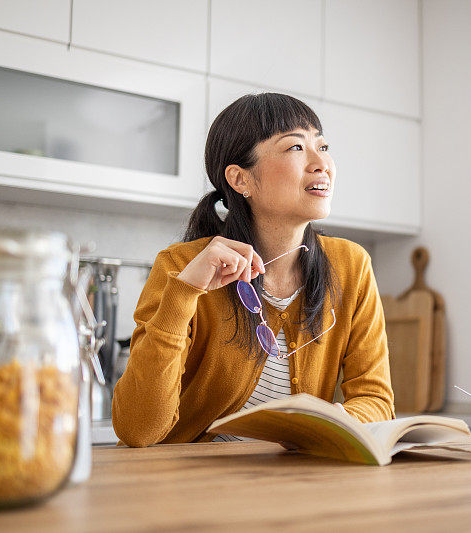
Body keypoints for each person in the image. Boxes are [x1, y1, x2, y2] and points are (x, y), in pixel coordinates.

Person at [112, 93, 394, 447]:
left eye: (323, 147)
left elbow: (377, 402)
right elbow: (138, 430)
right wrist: (184, 293)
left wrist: (329, 421)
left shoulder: (351, 265)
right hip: (188, 492)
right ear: (240, 179)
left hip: (288, 486)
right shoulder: (181, 266)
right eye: (295, 148)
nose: (321, 163)